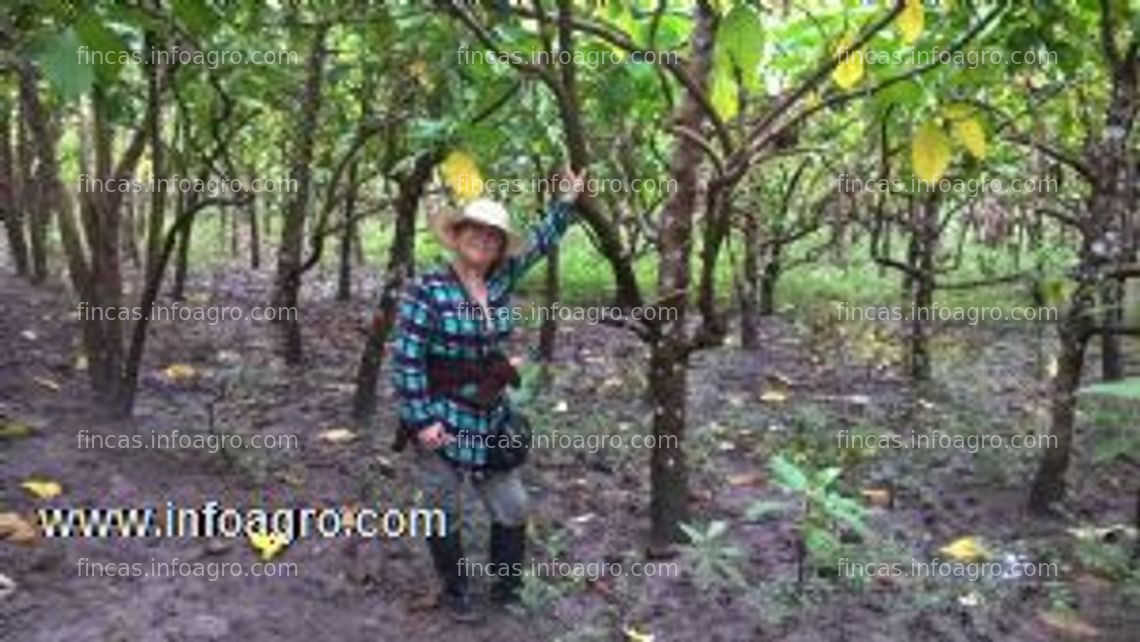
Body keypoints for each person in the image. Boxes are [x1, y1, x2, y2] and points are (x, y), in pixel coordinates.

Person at [390, 167, 586, 621]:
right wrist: (422, 421)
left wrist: (567, 202)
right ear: (457, 236)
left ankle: (507, 587)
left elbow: (540, 239)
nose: (483, 240)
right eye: (474, 231)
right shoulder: (428, 289)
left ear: (499, 245)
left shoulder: (500, 279)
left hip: (488, 412)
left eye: (493, 235)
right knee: (442, 507)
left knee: (513, 505)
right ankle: (455, 589)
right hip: (441, 414)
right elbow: (407, 359)